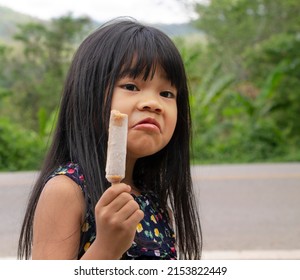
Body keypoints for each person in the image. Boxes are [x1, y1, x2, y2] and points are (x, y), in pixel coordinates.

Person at [18, 18, 202, 260]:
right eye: (131, 86)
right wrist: (107, 247)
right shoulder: (67, 191)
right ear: (87, 95)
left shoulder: (156, 205)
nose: (153, 103)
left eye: (166, 93)